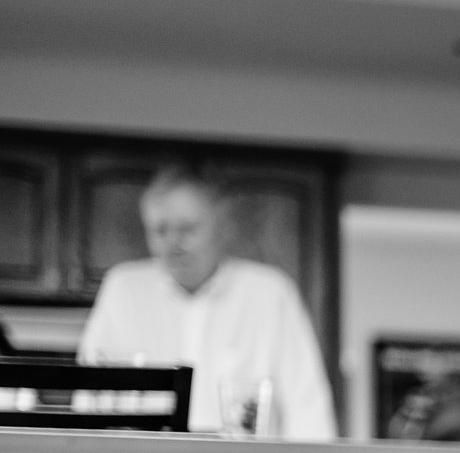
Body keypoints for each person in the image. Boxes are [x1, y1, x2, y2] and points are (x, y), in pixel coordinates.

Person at [79, 162, 336, 438]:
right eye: (160, 230)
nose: (173, 243)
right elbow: (89, 397)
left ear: (221, 226)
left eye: (187, 229)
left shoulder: (271, 294)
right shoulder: (123, 289)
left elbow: (308, 409)